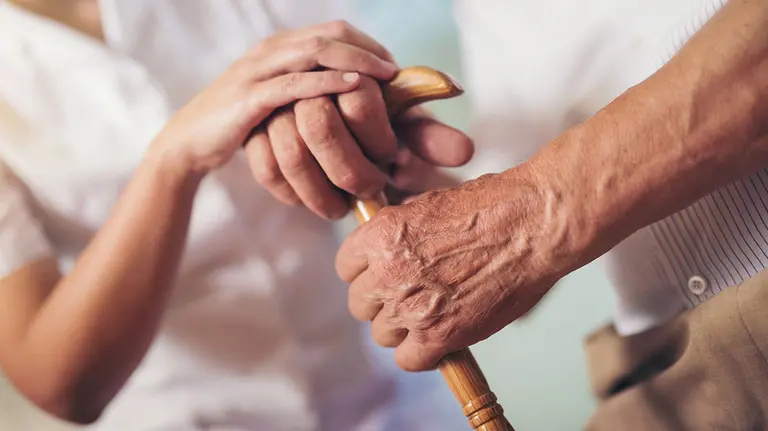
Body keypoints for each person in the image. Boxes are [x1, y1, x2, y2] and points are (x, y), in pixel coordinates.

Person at [0, 0, 474, 430]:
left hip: (398, 406)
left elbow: (405, 169)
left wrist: (385, 150)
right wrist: (174, 158)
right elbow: (62, 387)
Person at [337, 0, 768, 428]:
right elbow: (497, 219)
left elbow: (520, 218)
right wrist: (418, 192)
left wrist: (537, 215)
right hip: (659, 367)